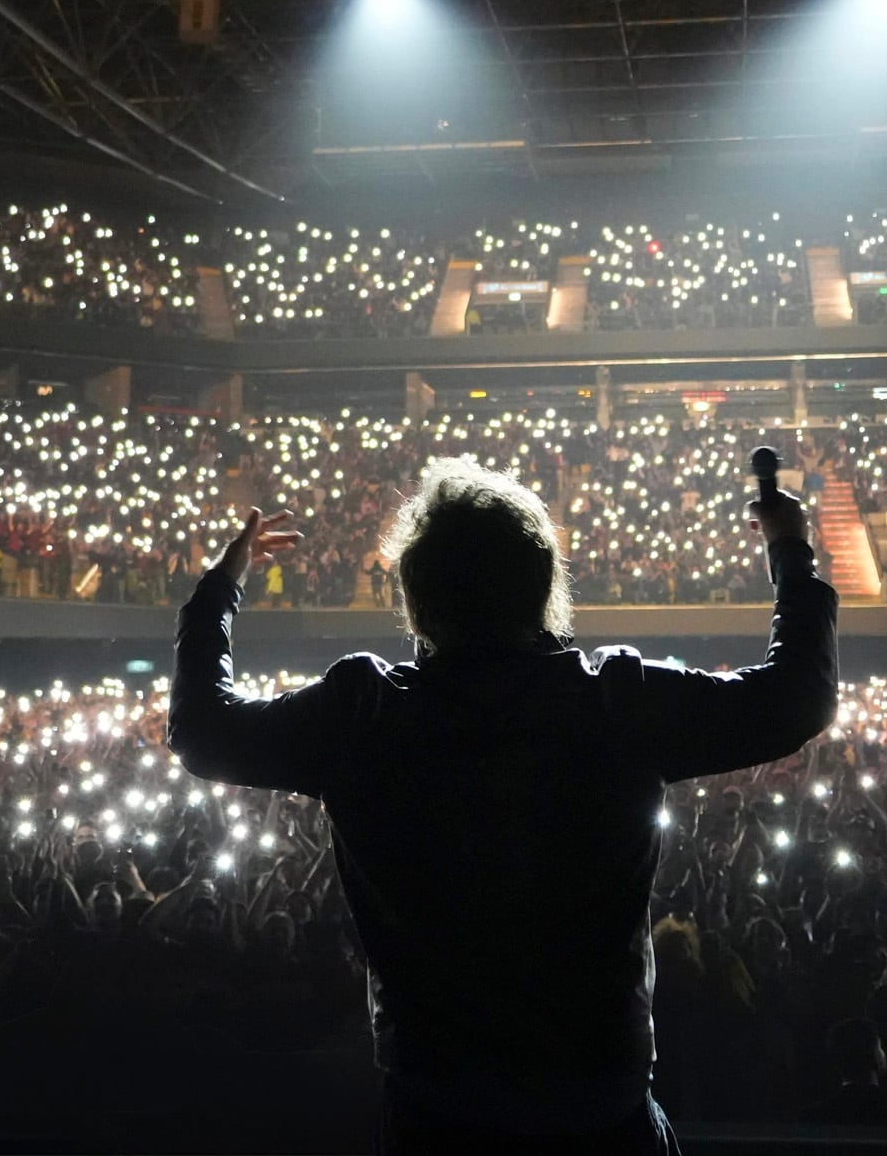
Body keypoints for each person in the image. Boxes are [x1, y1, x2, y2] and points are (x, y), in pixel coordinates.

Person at [170, 456, 838, 1153]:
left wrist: (220, 590)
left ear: (416, 596)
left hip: (437, 1118)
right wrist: (789, 549)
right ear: (543, 583)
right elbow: (796, 698)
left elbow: (202, 728)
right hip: (601, 1115)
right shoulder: (615, 703)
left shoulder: (365, 717)